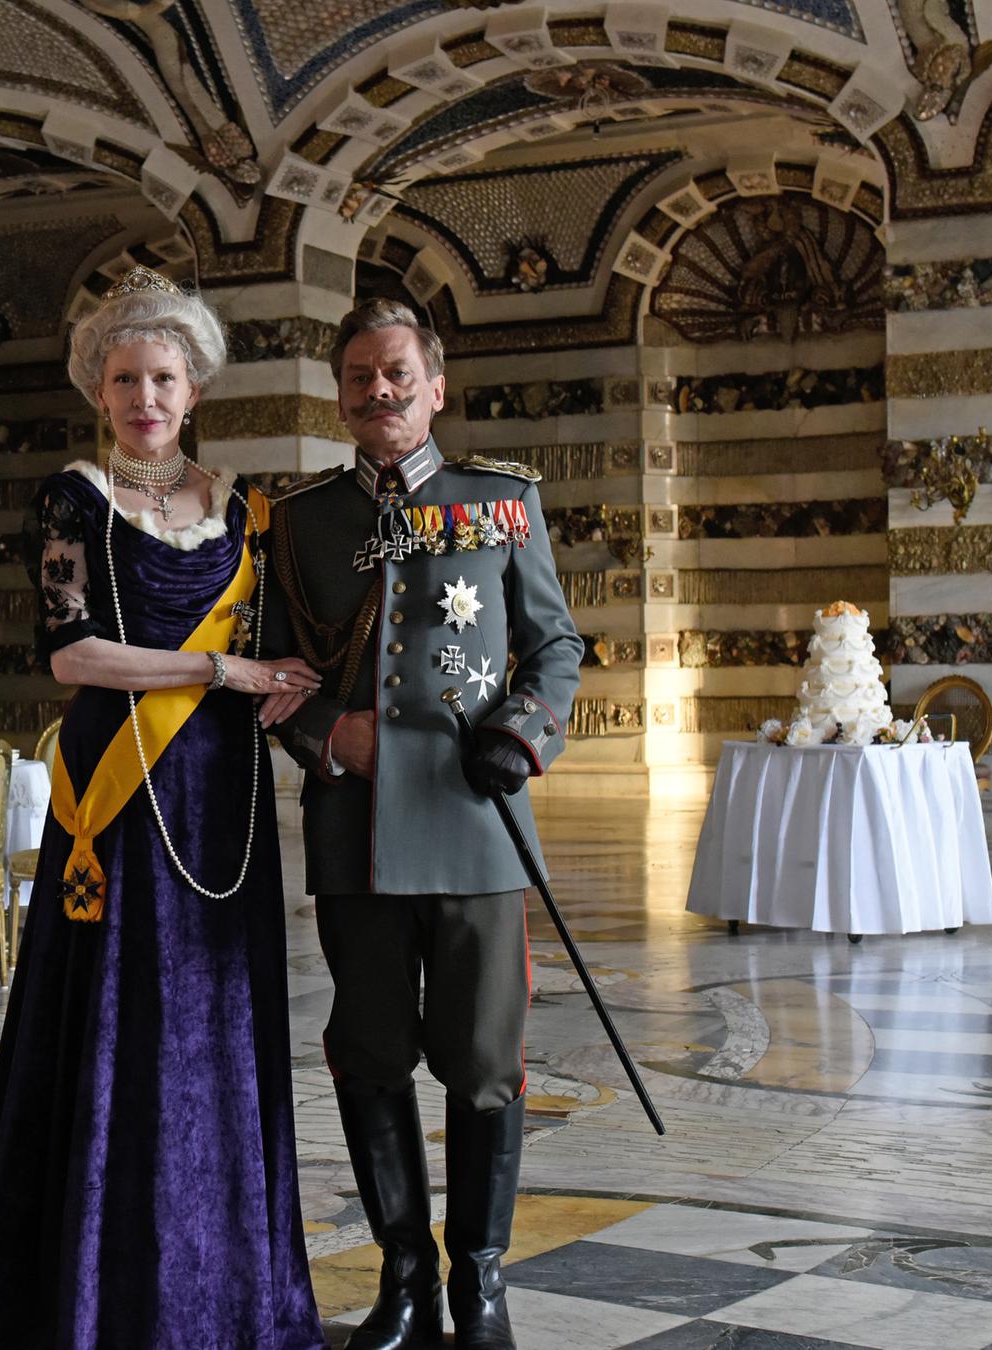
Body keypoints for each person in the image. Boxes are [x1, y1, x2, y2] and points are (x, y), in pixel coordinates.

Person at [0, 267, 328, 1349]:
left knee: (215, 1010)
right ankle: (101, 1264)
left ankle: (219, 1262)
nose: (145, 398)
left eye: (163, 379)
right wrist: (222, 674)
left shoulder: (245, 509)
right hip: (117, 786)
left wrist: (292, 692)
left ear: (195, 391)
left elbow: (282, 642)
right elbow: (72, 654)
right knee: (117, 1009)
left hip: (220, 791)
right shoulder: (73, 500)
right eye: (126, 379)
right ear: (100, 389)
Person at [258, 299, 583, 1350]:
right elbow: (273, 672)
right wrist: (326, 734)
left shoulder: (502, 502)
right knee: (369, 1052)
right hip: (355, 833)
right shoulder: (300, 522)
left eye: (397, 373)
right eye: (359, 377)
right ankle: (405, 1278)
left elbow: (556, 647)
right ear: (339, 396)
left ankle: (479, 1283)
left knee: (482, 1061)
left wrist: (522, 733)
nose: (380, 391)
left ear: (436, 387)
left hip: (475, 821)